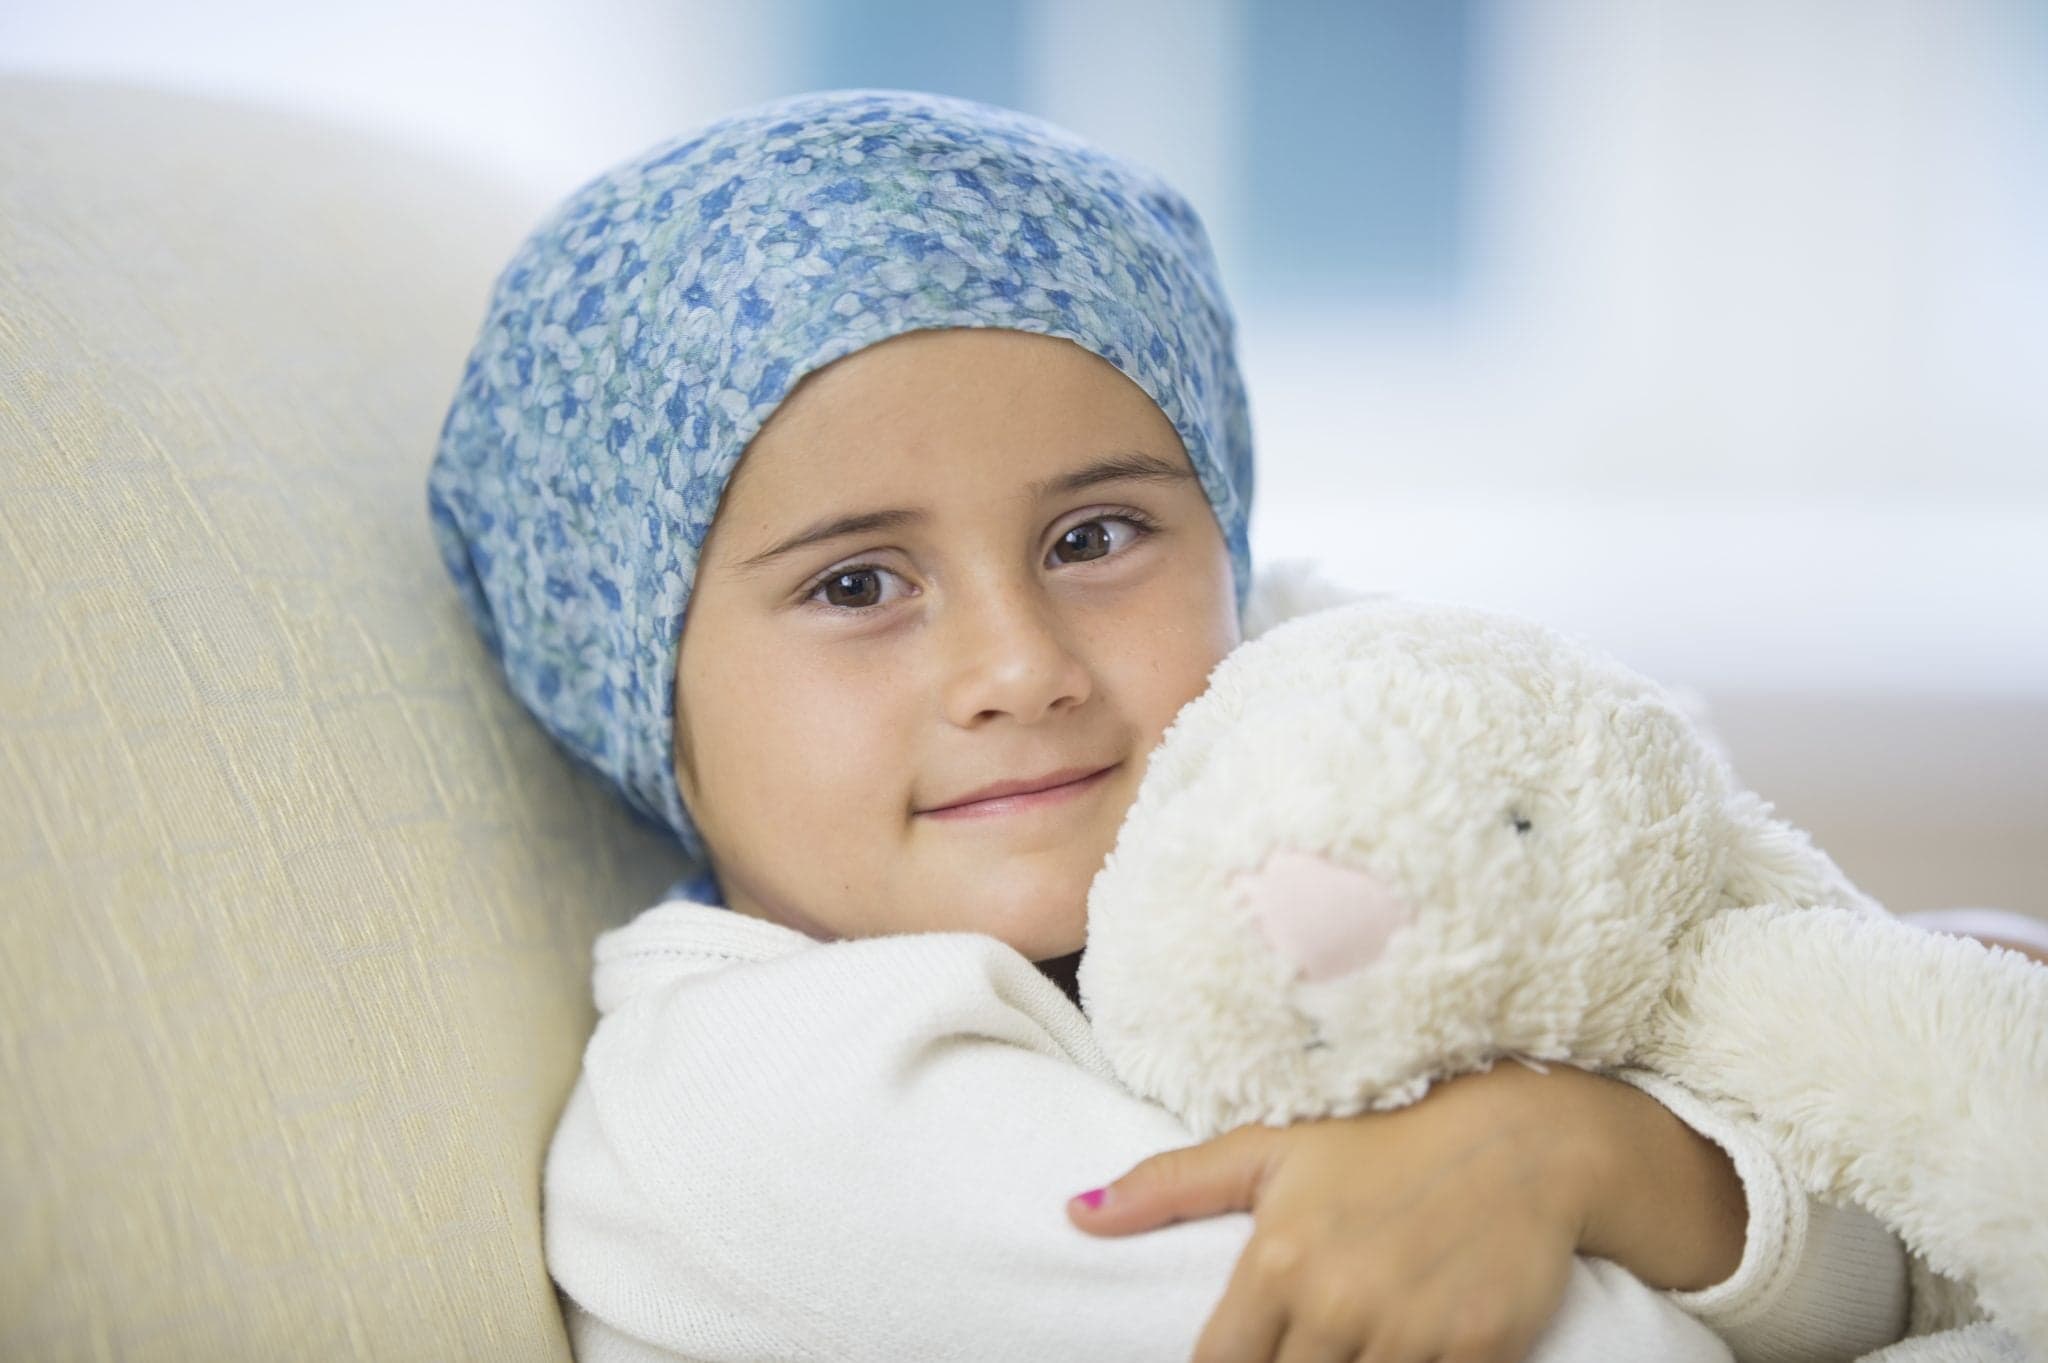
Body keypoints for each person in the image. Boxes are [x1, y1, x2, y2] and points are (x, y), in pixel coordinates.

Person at [427, 89, 1914, 1363]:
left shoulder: (1337, 883)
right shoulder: (763, 1106)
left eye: (1093, 538)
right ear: (630, 669)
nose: (1020, 669)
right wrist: (1592, 1160)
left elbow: (1910, 1220)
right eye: (858, 584)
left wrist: (1573, 1148)